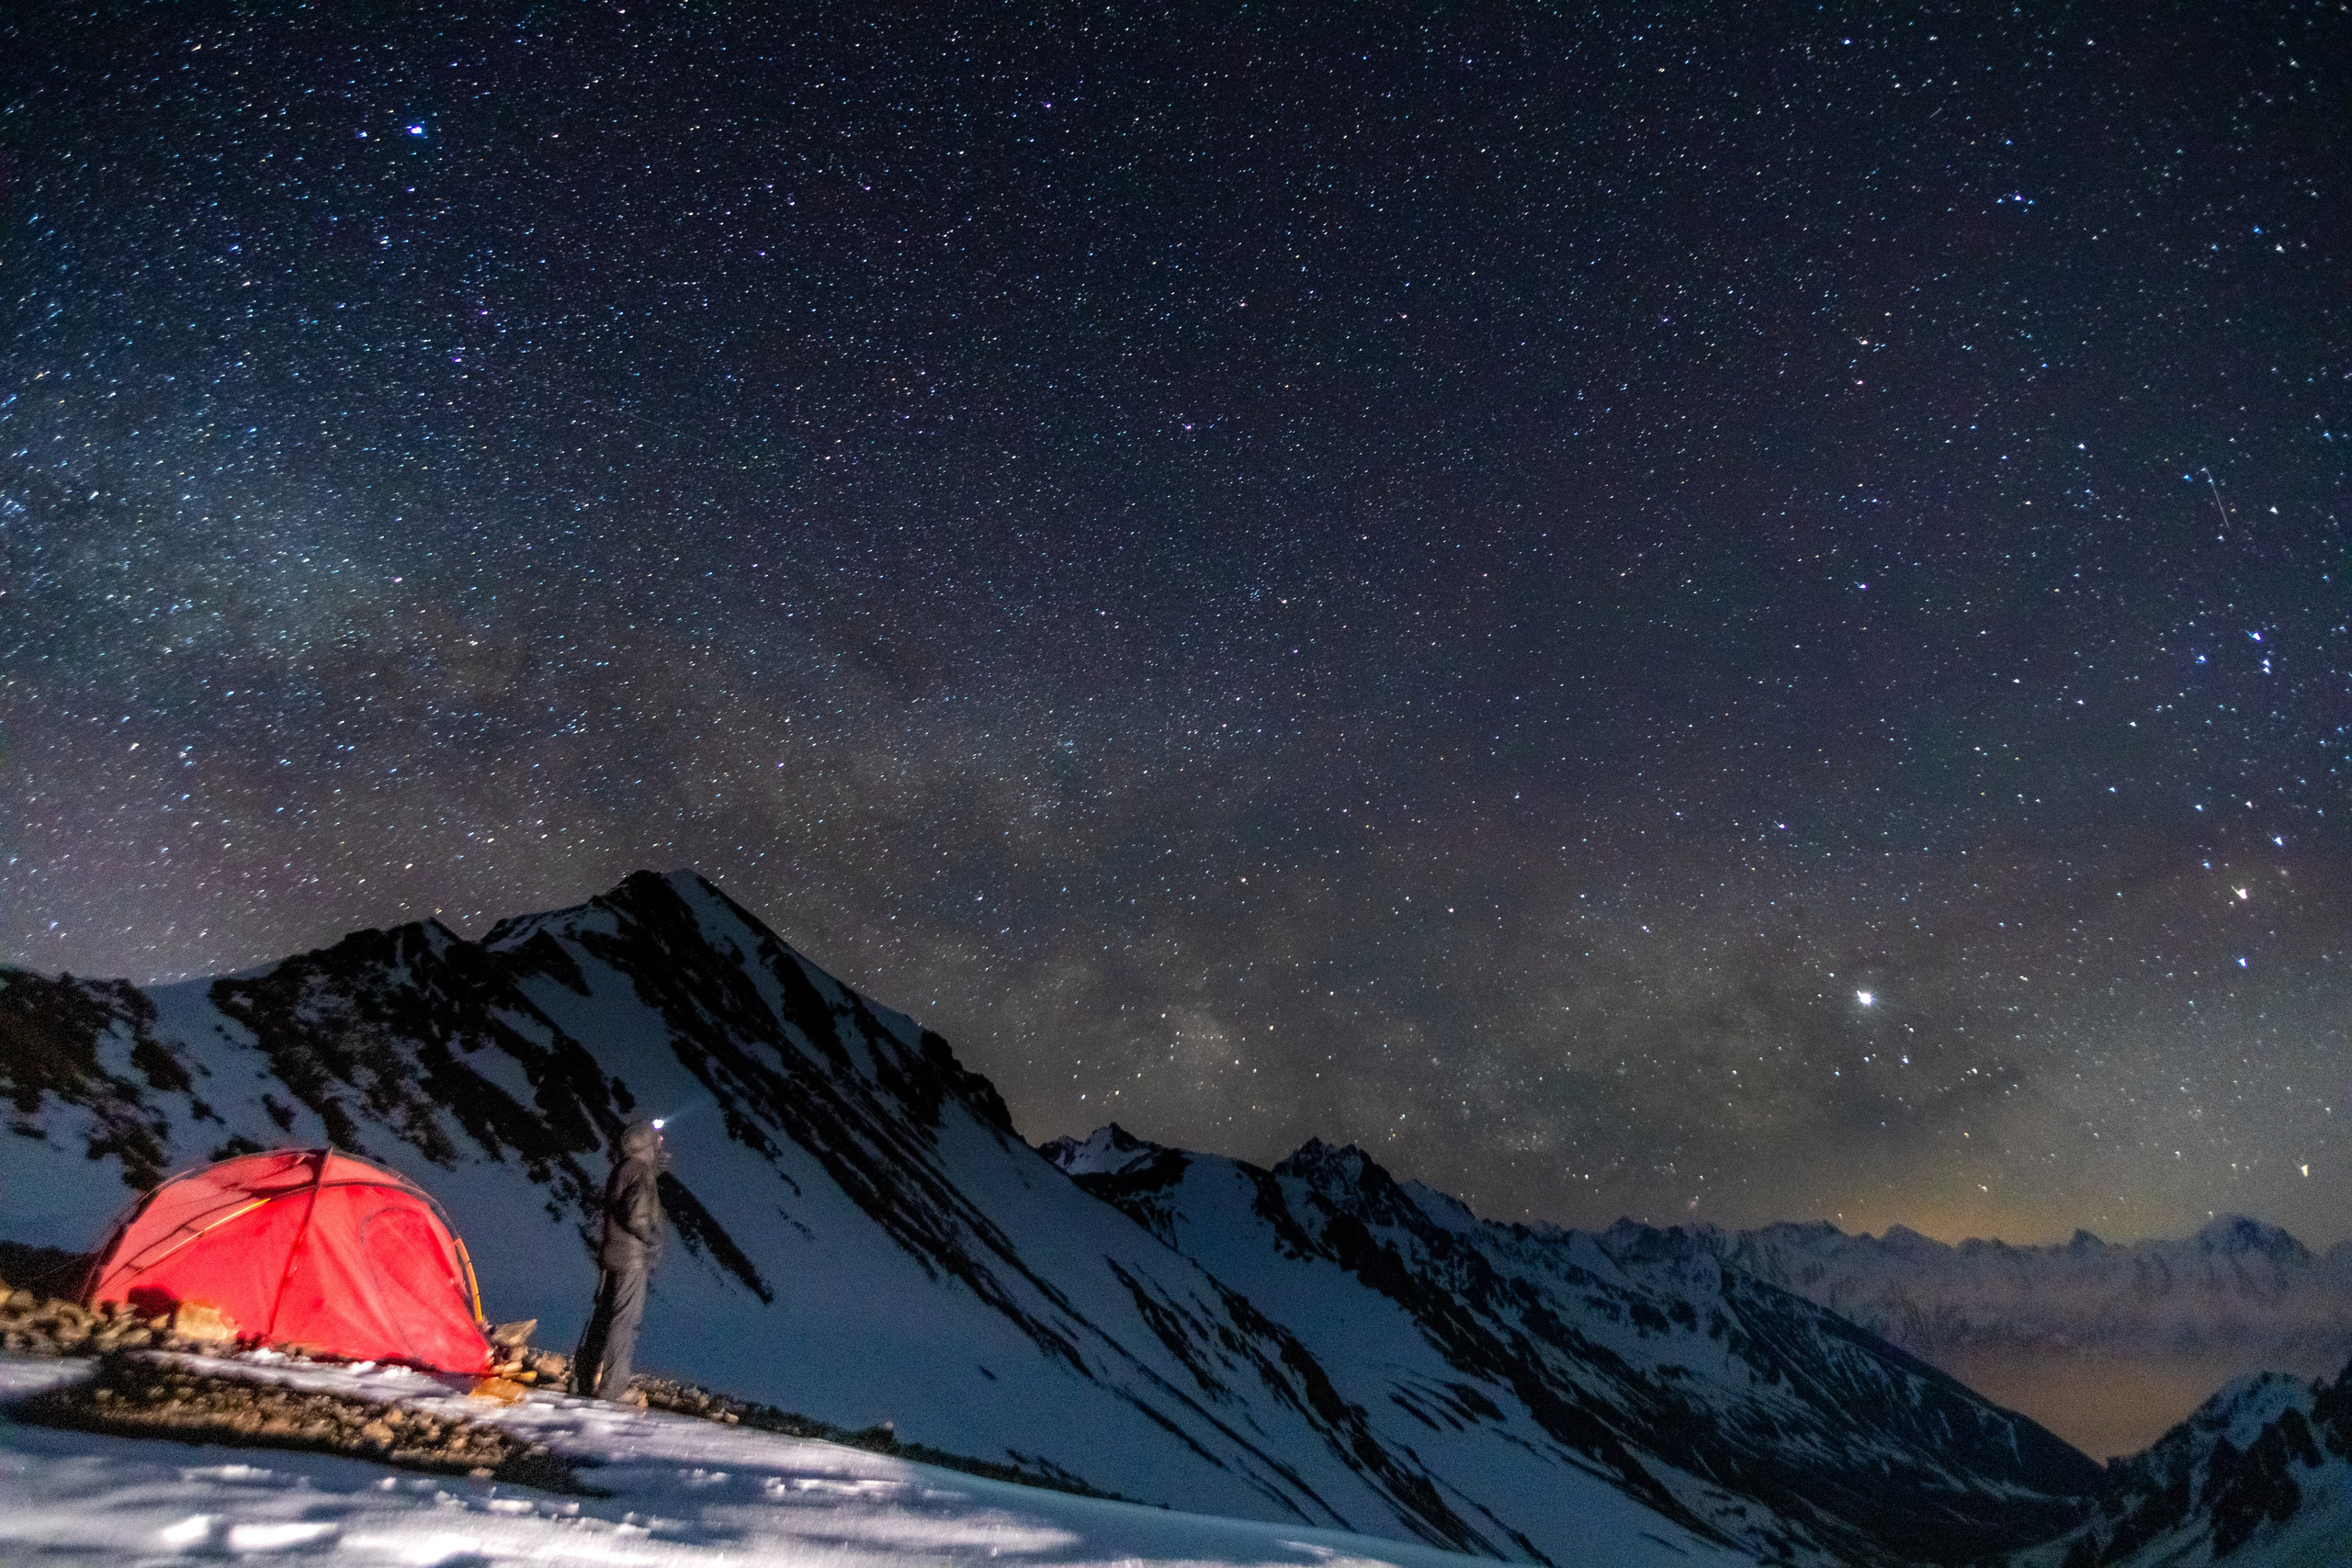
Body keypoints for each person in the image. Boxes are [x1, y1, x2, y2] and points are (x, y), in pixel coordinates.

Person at [572, 1119, 665, 1402]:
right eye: (656, 1141)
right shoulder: (639, 1172)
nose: (661, 1144)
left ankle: (583, 1381)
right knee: (625, 1322)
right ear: (646, 1146)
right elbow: (636, 1216)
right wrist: (653, 1238)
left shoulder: (623, 1169)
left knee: (603, 1319)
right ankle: (612, 1390)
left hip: (612, 1253)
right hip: (631, 1259)